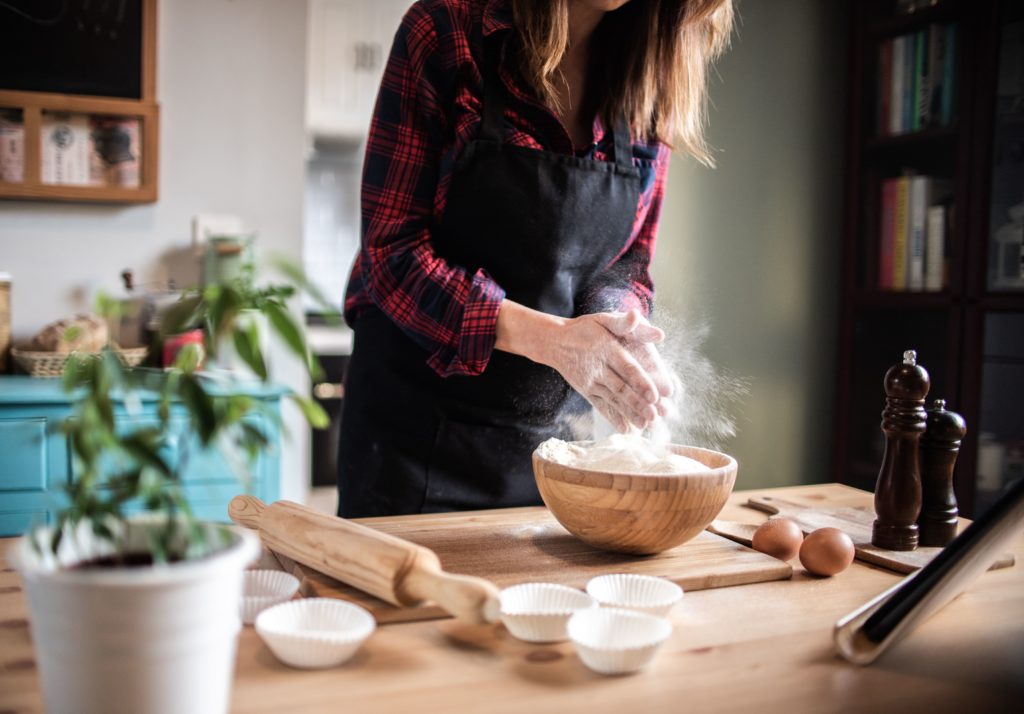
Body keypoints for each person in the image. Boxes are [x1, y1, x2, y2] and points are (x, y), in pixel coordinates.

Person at [338, 0, 734, 518]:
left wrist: (619, 332)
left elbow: (628, 263)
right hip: (413, 445)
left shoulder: (649, 75)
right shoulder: (448, 33)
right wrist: (556, 341)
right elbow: (391, 256)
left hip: (555, 458)